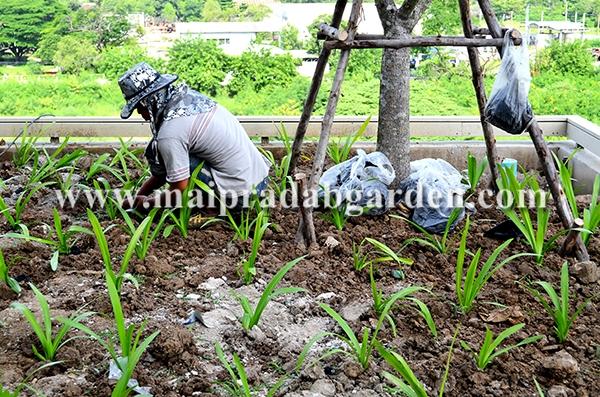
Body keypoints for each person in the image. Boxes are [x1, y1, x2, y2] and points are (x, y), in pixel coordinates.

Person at [117, 62, 270, 212]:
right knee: (171, 153)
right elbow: (163, 169)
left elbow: (179, 188)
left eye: (139, 107)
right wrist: (139, 196)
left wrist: (146, 204)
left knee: (178, 157)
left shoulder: (170, 133)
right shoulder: (190, 100)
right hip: (260, 182)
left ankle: (211, 211)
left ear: (150, 101)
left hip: (242, 197)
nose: (139, 113)